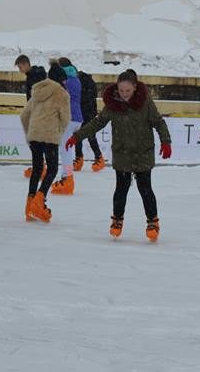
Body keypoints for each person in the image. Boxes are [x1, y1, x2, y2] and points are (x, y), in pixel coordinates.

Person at [66, 69, 172, 241]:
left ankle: (152, 221)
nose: (124, 94)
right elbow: (97, 123)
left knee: (145, 189)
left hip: (142, 153)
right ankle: (117, 220)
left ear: (135, 88)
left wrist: (166, 141)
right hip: (122, 153)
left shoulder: (145, 103)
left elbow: (158, 122)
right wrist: (77, 136)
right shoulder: (114, 104)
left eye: (128, 91)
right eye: (121, 91)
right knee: (121, 189)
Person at [20, 65, 70, 222]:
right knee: (52, 169)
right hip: (50, 136)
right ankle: (39, 201)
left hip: (35, 135)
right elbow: (66, 118)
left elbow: (24, 115)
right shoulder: (62, 93)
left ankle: (29, 206)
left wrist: (30, 132)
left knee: (37, 169)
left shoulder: (36, 90)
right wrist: (59, 131)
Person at [51, 57, 82, 195]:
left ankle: (67, 179)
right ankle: (66, 177)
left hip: (68, 118)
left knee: (65, 150)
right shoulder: (76, 79)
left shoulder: (63, 80)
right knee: (66, 149)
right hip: (77, 118)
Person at [74, 68, 105, 172]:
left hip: (85, 112)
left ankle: (84, 158)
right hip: (88, 112)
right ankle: (96, 158)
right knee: (82, 135)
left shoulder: (82, 83)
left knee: (86, 135)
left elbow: (83, 99)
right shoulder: (89, 82)